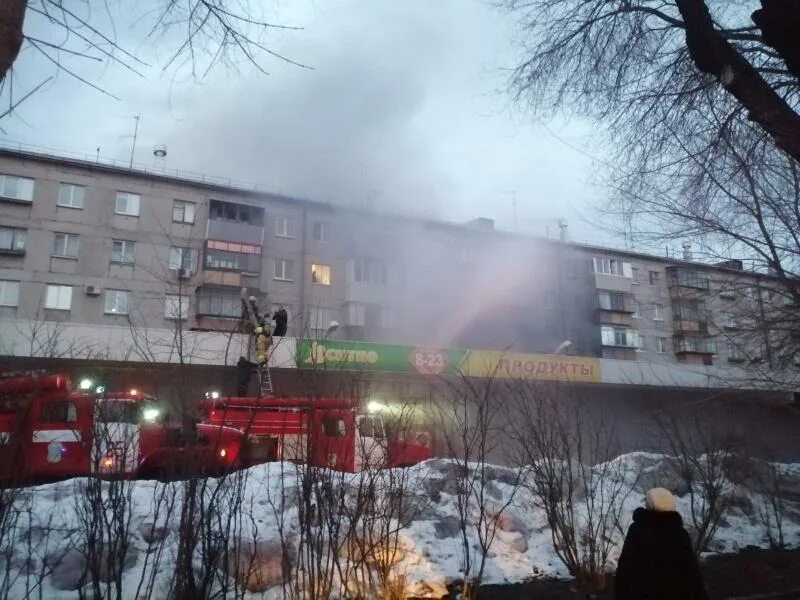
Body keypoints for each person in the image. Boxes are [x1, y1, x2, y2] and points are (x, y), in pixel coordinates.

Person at [615, 487, 708, 600]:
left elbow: (625, 568)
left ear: (649, 505)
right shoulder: (680, 533)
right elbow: (692, 570)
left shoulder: (637, 530)